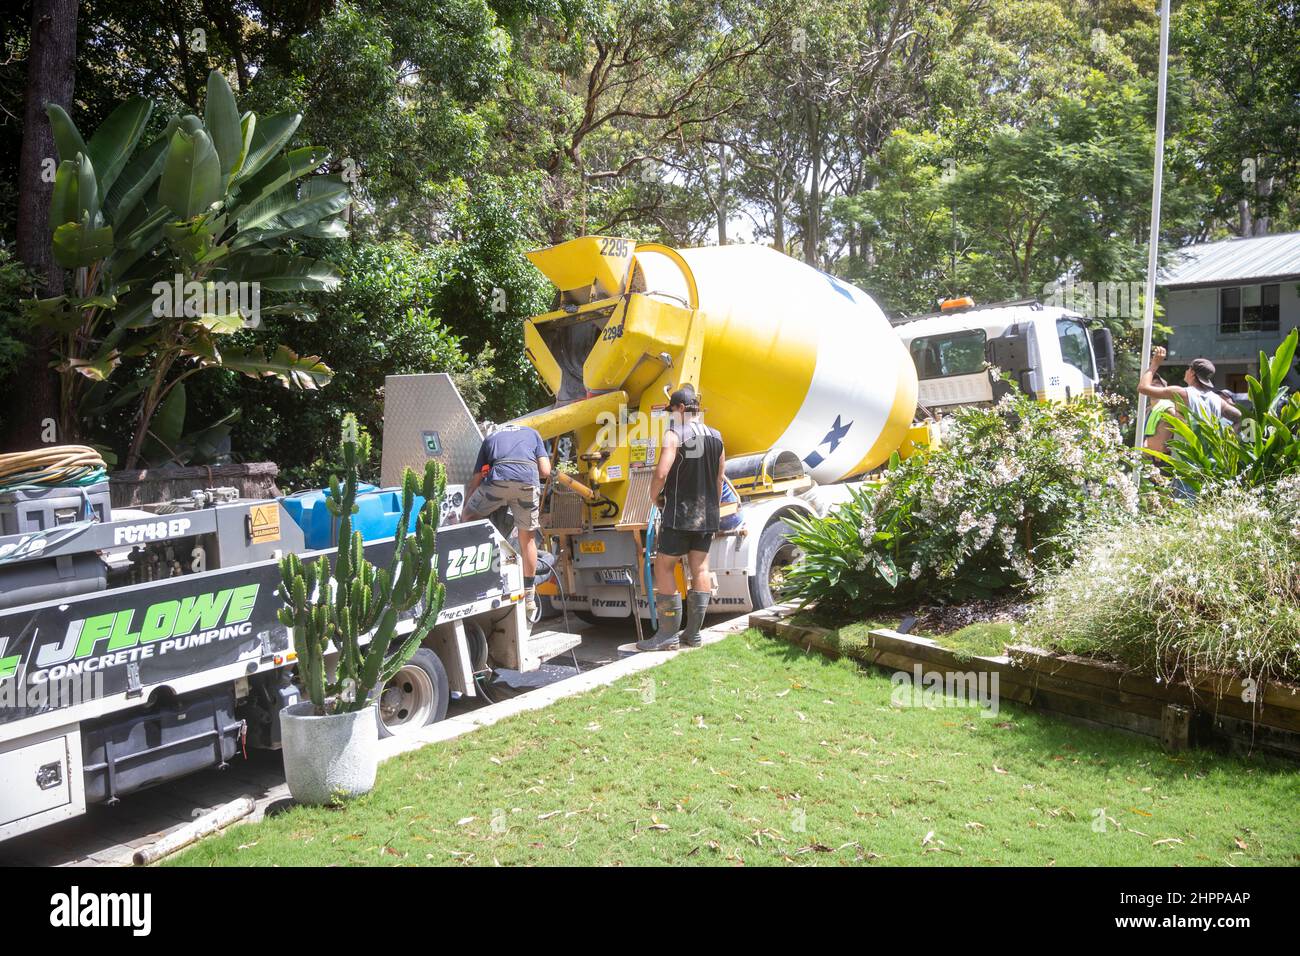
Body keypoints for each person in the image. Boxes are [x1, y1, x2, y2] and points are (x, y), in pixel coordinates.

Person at [637, 384, 726, 652]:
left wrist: (654, 497)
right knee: (700, 568)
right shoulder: (717, 436)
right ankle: (693, 635)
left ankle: (666, 636)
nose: (670, 416)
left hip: (679, 514)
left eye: (672, 411)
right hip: (707, 513)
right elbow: (720, 476)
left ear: (683, 409)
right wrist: (714, 506)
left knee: (664, 566)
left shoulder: (675, 434)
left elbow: (662, 473)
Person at [462, 423, 551, 621]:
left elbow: (476, 480)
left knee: (468, 518)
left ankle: (478, 572)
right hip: (527, 484)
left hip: (498, 482)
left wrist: (466, 506)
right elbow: (545, 471)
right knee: (526, 538)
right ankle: (529, 594)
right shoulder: (533, 434)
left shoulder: (490, 438)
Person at [1139, 347, 1241, 430]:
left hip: (1187, 454)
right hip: (1210, 454)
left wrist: (1155, 364)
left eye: (1188, 368)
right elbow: (1240, 417)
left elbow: (1143, 388)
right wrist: (1227, 439)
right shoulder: (1217, 400)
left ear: (1192, 373)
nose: (1186, 371)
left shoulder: (1181, 393)